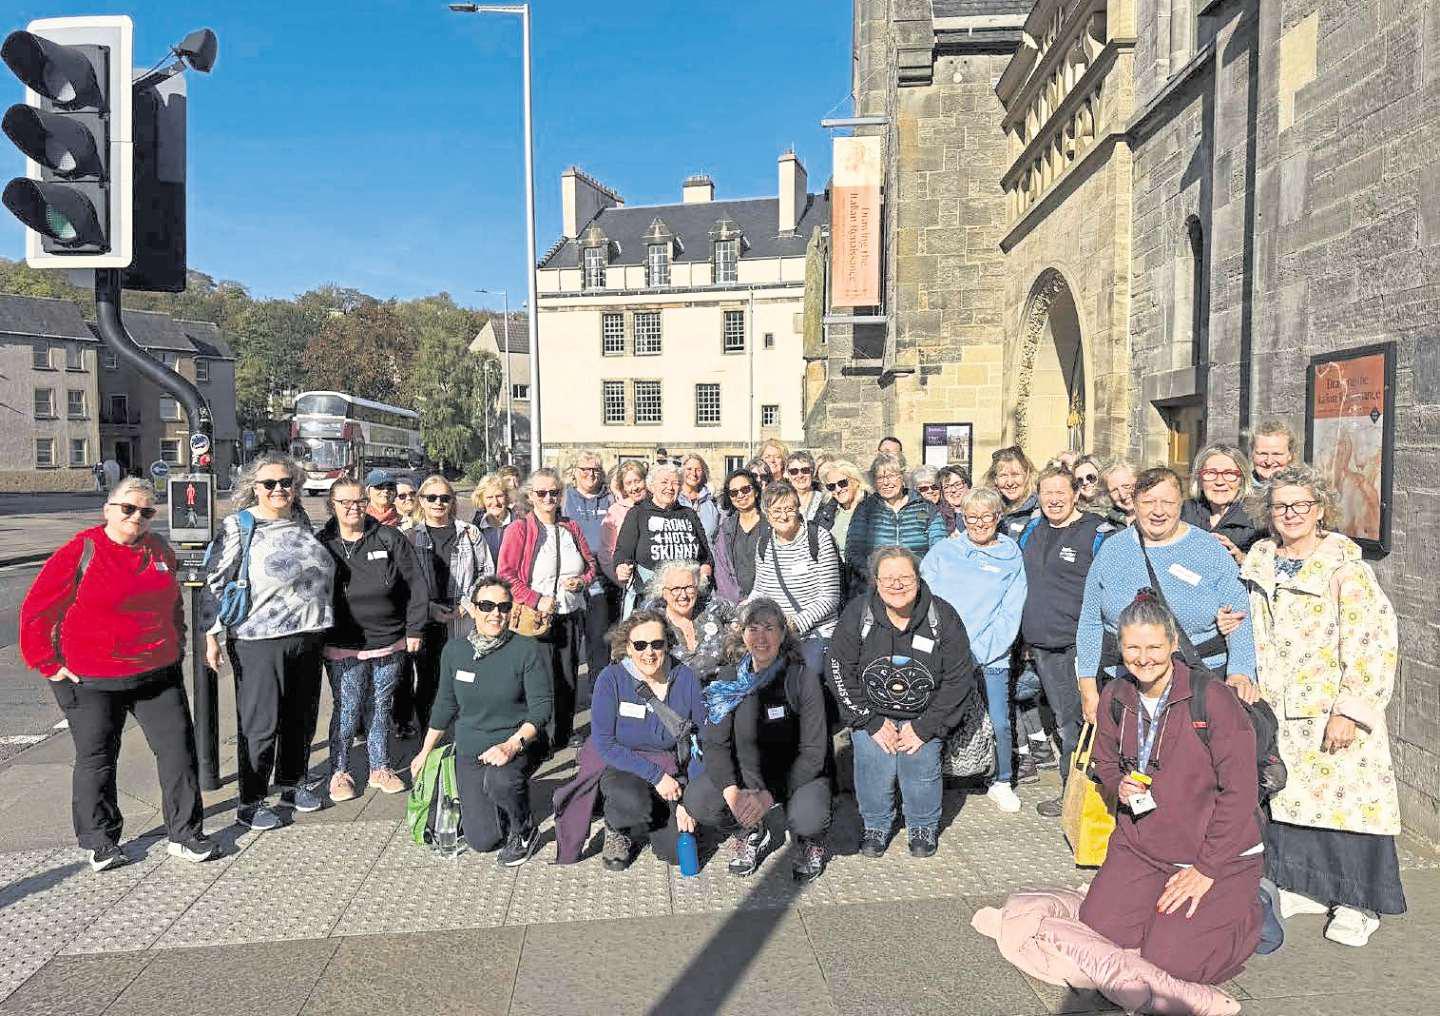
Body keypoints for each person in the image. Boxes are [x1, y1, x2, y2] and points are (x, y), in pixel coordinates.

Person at [1240, 466, 1406, 946]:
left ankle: (1358, 903)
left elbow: (1374, 639)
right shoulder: (1262, 561)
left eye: (1301, 506)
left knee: (1350, 807)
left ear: (1320, 511)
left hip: (1330, 708)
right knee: (1294, 802)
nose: (1290, 514)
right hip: (1280, 708)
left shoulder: (1346, 569)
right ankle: (1310, 888)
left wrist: (1350, 710)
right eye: (1280, 506)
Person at [20, 478, 217, 870]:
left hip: (157, 674)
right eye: (128, 508)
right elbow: (37, 612)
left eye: (146, 511)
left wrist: (176, 645)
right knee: (97, 759)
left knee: (179, 754)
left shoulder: (159, 549)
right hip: (90, 679)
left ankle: (184, 833)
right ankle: (100, 841)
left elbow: (173, 605)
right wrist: (49, 664)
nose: (136, 517)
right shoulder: (83, 550)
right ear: (107, 509)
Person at [1079, 597, 1265, 985]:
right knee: (1100, 929)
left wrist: (1206, 869)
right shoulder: (1116, 696)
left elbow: (1241, 792)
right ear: (1120, 647)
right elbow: (1106, 762)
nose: (1143, 658)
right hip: (1144, 847)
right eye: (1132, 647)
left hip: (1214, 853)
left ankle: (1250, 911)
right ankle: (1167, 910)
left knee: (1171, 963)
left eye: (1153, 647)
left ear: (1173, 644)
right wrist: (1120, 785)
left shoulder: (1211, 698)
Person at [202, 452, 335, 830]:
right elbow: (212, 583)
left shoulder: (301, 520)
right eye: (270, 484)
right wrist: (210, 635)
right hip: (259, 639)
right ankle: (251, 801)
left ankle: (293, 782)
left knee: (301, 718)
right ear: (254, 488)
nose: (279, 489)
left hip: (308, 636)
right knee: (261, 724)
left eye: (286, 482)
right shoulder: (239, 526)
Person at [1076, 467, 1258, 733]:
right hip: (1128, 686)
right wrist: (1088, 687)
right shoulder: (1112, 550)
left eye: (1168, 502)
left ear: (1180, 504)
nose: (1158, 511)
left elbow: (1240, 615)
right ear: (1134, 505)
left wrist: (1240, 672)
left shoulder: (1207, 549)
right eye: (1148, 502)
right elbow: (1090, 622)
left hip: (1197, 687)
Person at [826, 547, 978, 858]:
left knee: (919, 760)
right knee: (872, 758)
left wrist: (925, 727)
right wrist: (869, 720)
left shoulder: (943, 616)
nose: (897, 585)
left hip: (925, 713)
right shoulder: (859, 613)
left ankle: (922, 824)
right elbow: (839, 667)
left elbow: (958, 677)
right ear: (876, 582)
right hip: (871, 711)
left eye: (905, 577)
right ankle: (876, 824)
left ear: (919, 580)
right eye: (888, 578)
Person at [682, 598, 833, 882]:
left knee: (809, 816)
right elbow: (715, 744)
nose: (761, 637)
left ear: (783, 634)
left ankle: (810, 840)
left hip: (797, 772)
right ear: (743, 634)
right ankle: (749, 831)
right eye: (753, 628)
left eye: (770, 628)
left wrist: (768, 795)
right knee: (699, 800)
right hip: (747, 772)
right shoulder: (728, 678)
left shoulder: (802, 678)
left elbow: (814, 751)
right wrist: (731, 793)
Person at [409, 576, 551, 866]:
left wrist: (511, 747)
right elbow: (444, 704)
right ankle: (497, 805)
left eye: (503, 606)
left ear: (511, 610)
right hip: (471, 747)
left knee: (501, 780)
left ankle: (524, 829)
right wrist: (424, 751)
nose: (495, 613)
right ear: (473, 610)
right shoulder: (455, 652)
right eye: (486, 605)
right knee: (482, 841)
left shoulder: (526, 649)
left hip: (516, 742)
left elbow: (541, 709)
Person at [317, 479, 427, 801]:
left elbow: (416, 585)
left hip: (389, 640)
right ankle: (339, 770)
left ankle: (380, 766)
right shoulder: (322, 543)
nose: (353, 508)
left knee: (380, 706)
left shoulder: (389, 538)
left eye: (359, 501)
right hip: (342, 643)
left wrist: (415, 629)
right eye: (345, 502)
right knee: (348, 708)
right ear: (332, 505)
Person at [920, 488, 1027, 812]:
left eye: (986, 516)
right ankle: (930, 779)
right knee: (938, 717)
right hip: (946, 651)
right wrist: (949, 647)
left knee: (999, 721)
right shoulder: (943, 552)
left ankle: (1002, 780)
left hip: (992, 653)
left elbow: (1011, 610)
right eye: (971, 517)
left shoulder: (1011, 555)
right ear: (962, 518)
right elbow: (925, 599)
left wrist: (980, 651)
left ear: (998, 517)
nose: (979, 523)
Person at [1016, 464, 1115, 817]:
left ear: (1076, 493)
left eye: (1061, 491)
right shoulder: (1031, 530)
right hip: (1042, 647)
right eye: (1047, 492)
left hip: (1080, 646)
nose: (1053, 499)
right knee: (1064, 721)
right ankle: (1077, 791)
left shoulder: (1097, 533)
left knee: (1078, 722)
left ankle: (1077, 796)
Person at [590, 610, 706, 870]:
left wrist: (688, 801)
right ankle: (618, 826)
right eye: (640, 645)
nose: (649, 652)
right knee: (631, 802)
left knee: (675, 854)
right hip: (625, 765)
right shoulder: (611, 679)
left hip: (674, 768)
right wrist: (656, 777)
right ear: (628, 648)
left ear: (667, 643)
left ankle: (657, 815)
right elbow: (605, 743)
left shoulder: (685, 677)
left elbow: (702, 741)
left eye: (657, 644)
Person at [498, 467, 599, 750]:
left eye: (554, 492)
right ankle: (538, 737)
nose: (548, 498)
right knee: (539, 680)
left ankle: (563, 735)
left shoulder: (571, 527)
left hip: (568, 614)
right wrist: (535, 599)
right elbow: (506, 574)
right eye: (541, 492)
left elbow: (590, 565)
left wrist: (581, 582)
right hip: (535, 618)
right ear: (530, 496)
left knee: (567, 678)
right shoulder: (520, 529)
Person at [397, 474, 495, 740]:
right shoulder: (408, 537)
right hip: (426, 617)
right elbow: (402, 582)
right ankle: (430, 741)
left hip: (463, 616)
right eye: (431, 498)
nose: (438, 503)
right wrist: (427, 608)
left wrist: (466, 603)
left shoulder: (470, 533)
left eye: (444, 498)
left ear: (452, 501)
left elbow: (486, 572)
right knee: (428, 681)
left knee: (464, 677)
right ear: (421, 501)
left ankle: (465, 734)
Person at [749, 480, 843, 676]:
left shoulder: (818, 539)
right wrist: (744, 613)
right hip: (777, 633)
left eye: (789, 509)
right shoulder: (764, 543)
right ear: (767, 513)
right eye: (776, 511)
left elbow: (830, 598)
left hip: (816, 632)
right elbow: (760, 590)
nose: (783, 516)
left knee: (807, 675)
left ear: (798, 508)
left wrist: (794, 624)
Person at [843, 453, 946, 591]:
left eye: (891, 476)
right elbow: (853, 551)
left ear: (902, 476)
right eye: (880, 478)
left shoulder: (926, 508)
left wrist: (918, 579)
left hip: (918, 584)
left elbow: (939, 549)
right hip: (876, 586)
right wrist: (875, 578)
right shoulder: (866, 509)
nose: (886, 483)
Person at [564, 452, 618, 708]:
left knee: (599, 647)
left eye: (596, 469)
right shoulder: (564, 498)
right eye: (585, 469)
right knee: (569, 650)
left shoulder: (611, 497)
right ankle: (568, 710)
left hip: (601, 582)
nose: (590, 474)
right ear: (575, 471)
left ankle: (599, 705)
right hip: (569, 582)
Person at [613, 463, 713, 594]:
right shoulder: (638, 513)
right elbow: (623, 553)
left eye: (675, 483)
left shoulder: (689, 514)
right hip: (650, 594)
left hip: (688, 594)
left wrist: (704, 577)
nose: (670, 488)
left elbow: (706, 557)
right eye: (664, 482)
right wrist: (622, 568)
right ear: (652, 486)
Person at [643, 559, 736, 685]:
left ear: (697, 588)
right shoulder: (652, 620)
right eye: (675, 589)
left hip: (720, 690)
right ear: (663, 593)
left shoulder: (711, 607)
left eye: (689, 588)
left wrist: (737, 630)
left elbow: (745, 616)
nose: (683, 595)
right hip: (674, 694)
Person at [1181, 443, 1264, 565]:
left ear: (1242, 480)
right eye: (1210, 473)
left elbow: (1269, 569)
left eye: (1229, 474)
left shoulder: (1257, 520)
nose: (1219, 482)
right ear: (1199, 479)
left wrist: (1242, 558)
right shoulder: (1181, 513)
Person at [712, 467, 768, 602]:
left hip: (768, 602)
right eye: (734, 492)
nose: (740, 495)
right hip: (736, 604)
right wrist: (738, 604)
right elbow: (722, 572)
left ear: (755, 491)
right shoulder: (726, 529)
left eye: (745, 489)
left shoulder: (771, 525)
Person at [599, 460, 648, 585]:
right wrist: (621, 579)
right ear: (624, 488)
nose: (634, 487)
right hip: (629, 582)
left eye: (637, 481)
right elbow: (606, 553)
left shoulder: (658, 505)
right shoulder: (615, 511)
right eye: (629, 483)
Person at [814, 458, 867, 567]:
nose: (837, 489)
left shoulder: (872, 509)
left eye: (842, 483)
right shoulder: (826, 513)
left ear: (856, 481)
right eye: (831, 486)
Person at [986, 446, 1039, 540]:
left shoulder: (1039, 511)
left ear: (1027, 475)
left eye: (1015, 475)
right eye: (1003, 475)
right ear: (995, 479)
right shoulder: (988, 507)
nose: (1010, 483)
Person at [470, 472, 516, 560]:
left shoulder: (519, 525)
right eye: (489, 497)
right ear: (481, 500)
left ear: (506, 497)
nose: (495, 502)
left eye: (499, 496)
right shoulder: (475, 528)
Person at [678, 453, 722, 544]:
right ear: (682, 471)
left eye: (698, 470)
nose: (693, 474)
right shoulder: (674, 500)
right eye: (689, 469)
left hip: (708, 556)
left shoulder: (713, 501)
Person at [783, 450, 824, 523]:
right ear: (788, 475)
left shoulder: (824, 500)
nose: (800, 475)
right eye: (794, 471)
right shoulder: (782, 500)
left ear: (812, 472)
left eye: (805, 470)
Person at [934, 465, 971, 535]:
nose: (953, 490)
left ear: (968, 485)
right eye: (947, 487)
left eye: (958, 484)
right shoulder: (937, 516)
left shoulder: (981, 509)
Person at [1102, 459, 1138, 526]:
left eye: (1126, 486)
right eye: (1114, 490)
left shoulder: (1158, 519)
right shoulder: (1105, 525)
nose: (1122, 496)